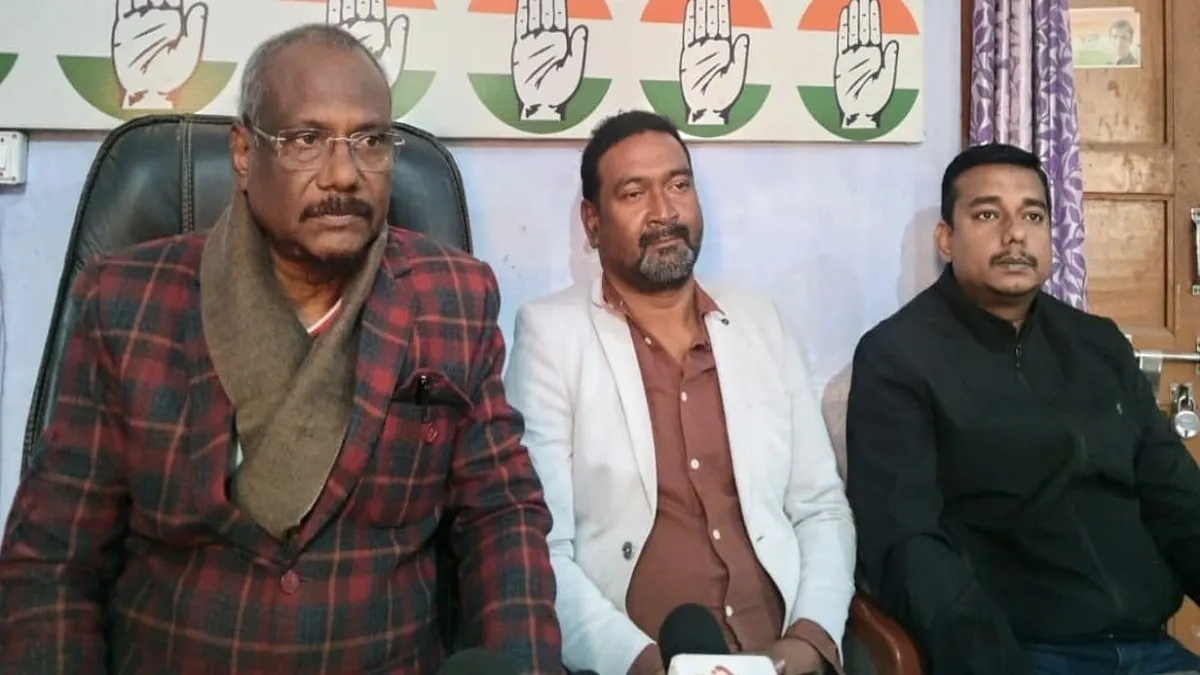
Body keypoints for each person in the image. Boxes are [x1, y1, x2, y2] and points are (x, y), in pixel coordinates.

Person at [0, 24, 561, 675]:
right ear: (244, 153)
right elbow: (52, 560)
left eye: (371, 141)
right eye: (306, 140)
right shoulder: (130, 301)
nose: (344, 174)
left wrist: (523, 662)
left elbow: (501, 515)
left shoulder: (452, 297)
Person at [504, 110, 855, 675]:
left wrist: (809, 640)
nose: (664, 212)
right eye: (634, 193)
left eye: (678, 185)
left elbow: (820, 507)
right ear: (592, 222)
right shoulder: (551, 336)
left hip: (779, 655)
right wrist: (642, 663)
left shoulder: (760, 320)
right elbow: (540, 547)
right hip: (642, 661)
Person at [846, 143, 1200, 675]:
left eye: (1033, 216)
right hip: (1021, 653)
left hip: (1151, 648)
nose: (1015, 234)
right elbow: (906, 542)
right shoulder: (899, 357)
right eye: (988, 215)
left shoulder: (1098, 345)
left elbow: (1176, 497)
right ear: (946, 239)